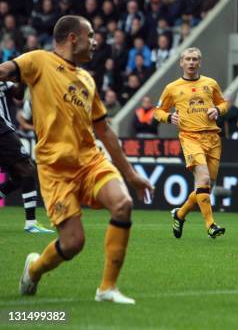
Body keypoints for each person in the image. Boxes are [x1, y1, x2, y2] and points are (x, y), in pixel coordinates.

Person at [0, 15, 153, 303]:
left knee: (122, 204)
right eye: (91, 34)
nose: (95, 40)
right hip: (55, 169)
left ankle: (107, 288)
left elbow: (104, 130)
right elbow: (5, 70)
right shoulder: (38, 61)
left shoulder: (86, 79)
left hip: (91, 161)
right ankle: (34, 270)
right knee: (73, 243)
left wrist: (131, 175)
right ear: (73, 38)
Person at [154, 47, 226, 240]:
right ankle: (210, 225)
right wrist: (169, 117)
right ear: (181, 62)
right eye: (188, 59)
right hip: (190, 137)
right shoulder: (172, 88)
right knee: (202, 181)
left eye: (195, 59)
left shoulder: (210, 84)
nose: (191, 62)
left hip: (212, 138)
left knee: (205, 187)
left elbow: (224, 103)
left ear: (199, 62)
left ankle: (180, 214)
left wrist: (218, 111)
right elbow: (157, 111)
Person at [0, 81, 53, 233]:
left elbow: (18, 94)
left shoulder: (4, 81)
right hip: (3, 132)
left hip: (5, 132)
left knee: (19, 177)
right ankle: (31, 223)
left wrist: (23, 78)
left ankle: (31, 223)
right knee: (27, 170)